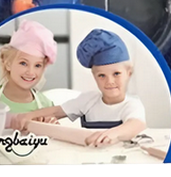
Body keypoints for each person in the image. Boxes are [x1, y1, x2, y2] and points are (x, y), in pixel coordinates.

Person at [11, 29, 147, 147]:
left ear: (129, 73)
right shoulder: (88, 100)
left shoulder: (132, 105)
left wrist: (111, 134)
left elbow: (136, 124)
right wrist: (28, 116)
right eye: (101, 75)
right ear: (94, 77)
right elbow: (56, 111)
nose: (109, 81)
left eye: (116, 74)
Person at [0, 20, 58, 120]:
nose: (30, 72)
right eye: (23, 63)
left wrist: (51, 126)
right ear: (8, 63)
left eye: (37, 65)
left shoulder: (47, 106)